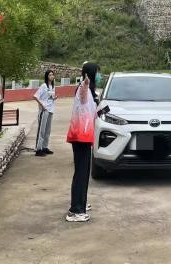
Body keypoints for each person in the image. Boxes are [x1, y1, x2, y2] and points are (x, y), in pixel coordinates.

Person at [66, 62, 100, 222]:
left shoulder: (91, 93)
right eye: (97, 73)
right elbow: (83, 93)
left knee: (84, 172)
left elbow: (90, 111)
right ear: (90, 74)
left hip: (85, 137)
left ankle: (81, 203)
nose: (99, 76)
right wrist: (86, 83)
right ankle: (75, 210)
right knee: (80, 173)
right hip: (80, 137)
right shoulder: (82, 88)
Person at [33, 70, 56, 157]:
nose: (52, 76)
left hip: (51, 110)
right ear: (47, 76)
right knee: (42, 130)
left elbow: (50, 97)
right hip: (44, 110)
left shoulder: (53, 86)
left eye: (52, 75)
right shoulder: (43, 86)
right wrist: (42, 105)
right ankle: (38, 149)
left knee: (47, 130)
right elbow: (35, 96)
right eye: (50, 75)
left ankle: (44, 147)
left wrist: (54, 98)